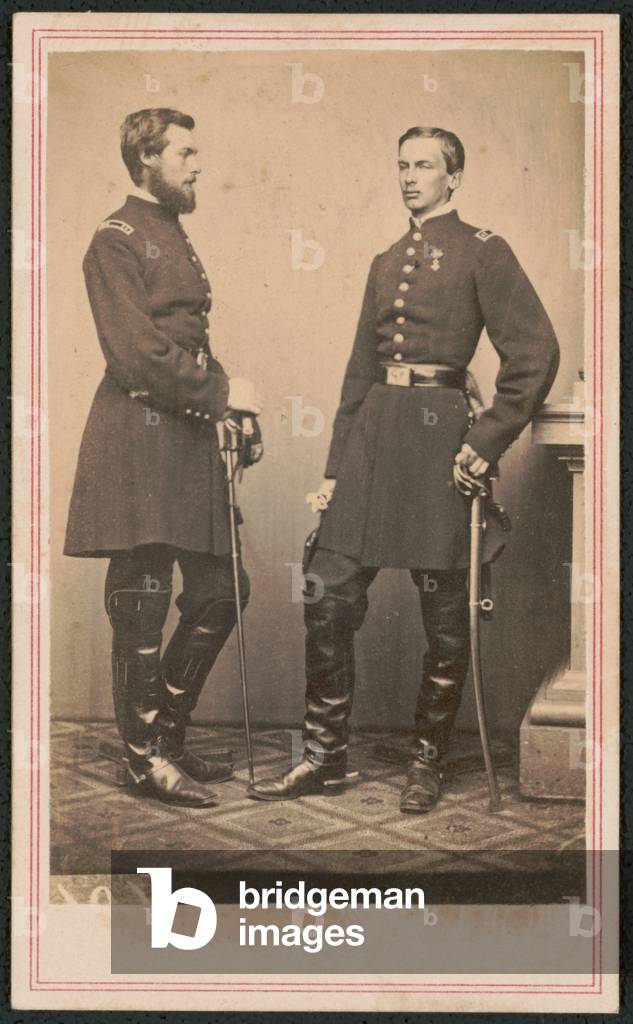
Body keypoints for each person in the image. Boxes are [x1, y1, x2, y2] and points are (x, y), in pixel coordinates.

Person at [249, 126, 559, 813]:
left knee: (445, 615)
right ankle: (324, 757)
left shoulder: (484, 251)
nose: (410, 176)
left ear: (453, 177)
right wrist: (334, 469)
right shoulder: (385, 260)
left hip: (438, 448)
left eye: (424, 165)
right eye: (402, 165)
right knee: (327, 595)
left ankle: (427, 758)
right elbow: (359, 371)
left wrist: (484, 442)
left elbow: (534, 353)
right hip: (372, 441)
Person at [65, 109, 262, 807]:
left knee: (220, 590)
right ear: (145, 159)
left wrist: (233, 406)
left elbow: (186, 340)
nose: (197, 164)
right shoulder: (114, 240)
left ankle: (167, 738)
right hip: (138, 433)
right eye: (185, 153)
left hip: (184, 434)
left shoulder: (172, 233)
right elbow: (135, 353)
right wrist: (222, 392)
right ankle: (143, 759)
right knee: (143, 599)